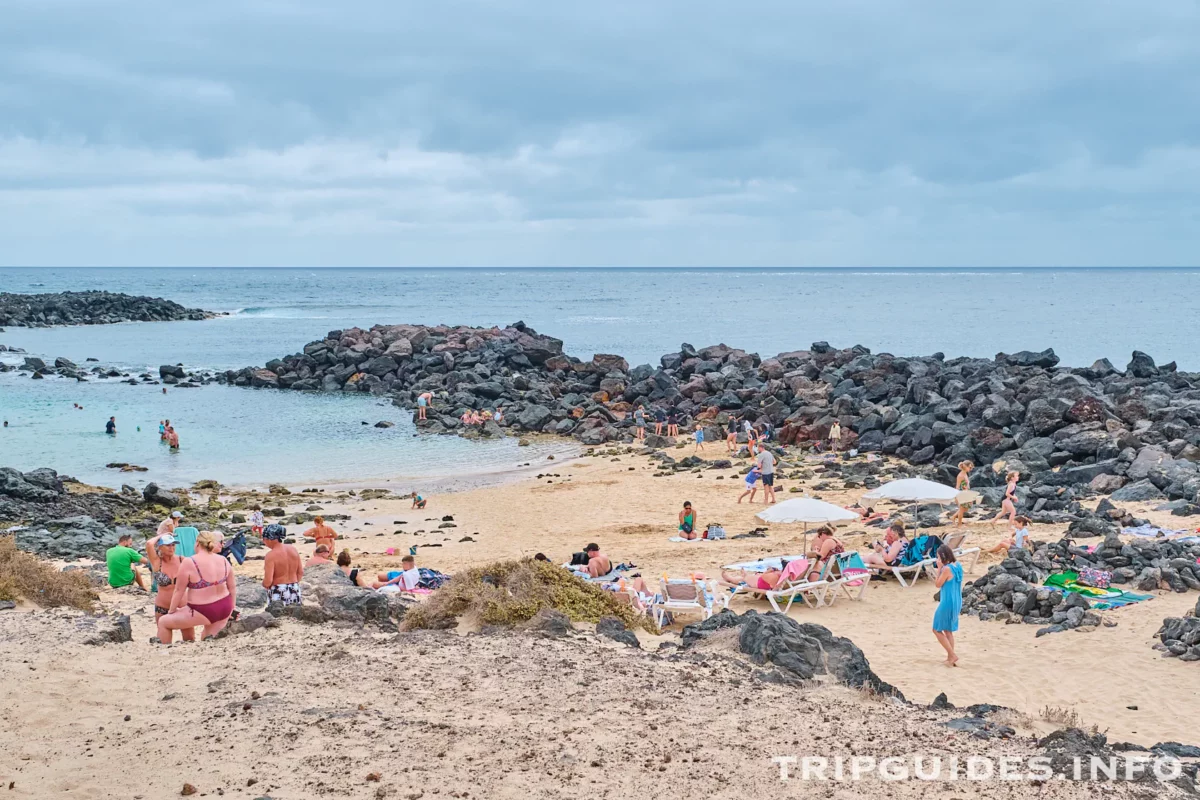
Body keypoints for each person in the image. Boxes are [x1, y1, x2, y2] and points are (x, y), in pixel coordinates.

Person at [157, 531, 237, 641]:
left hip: (202, 610)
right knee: (207, 637)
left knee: (163, 622)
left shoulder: (190, 562)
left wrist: (171, 611)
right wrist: (232, 608)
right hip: (225, 607)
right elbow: (232, 587)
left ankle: (164, 652)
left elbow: (179, 591)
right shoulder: (223, 559)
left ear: (197, 543)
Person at [144, 532, 195, 642]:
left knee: (190, 640)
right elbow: (149, 543)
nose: (171, 548)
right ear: (160, 547)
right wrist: (163, 534)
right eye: (168, 545)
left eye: (173, 545)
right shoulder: (157, 562)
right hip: (162, 606)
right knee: (163, 644)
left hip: (182, 605)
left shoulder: (182, 560)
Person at [932, 545, 963, 667]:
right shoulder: (958, 566)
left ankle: (952, 654)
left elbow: (937, 584)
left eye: (938, 557)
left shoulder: (946, 569)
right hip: (957, 600)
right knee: (948, 630)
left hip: (947, 601)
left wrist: (939, 569)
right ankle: (950, 657)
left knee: (936, 629)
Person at [261, 524, 303, 605]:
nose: (264, 542)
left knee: (277, 615)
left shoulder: (270, 555)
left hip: (278, 589)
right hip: (295, 587)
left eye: (264, 539)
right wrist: (293, 584)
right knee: (295, 615)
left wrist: (264, 584)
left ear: (269, 539)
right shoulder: (293, 549)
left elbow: (268, 581)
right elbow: (300, 572)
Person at [721, 562, 787, 591]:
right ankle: (735, 578)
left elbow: (764, 576)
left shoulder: (776, 576)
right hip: (763, 582)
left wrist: (770, 570)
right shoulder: (786, 576)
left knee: (745, 578)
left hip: (760, 584)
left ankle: (731, 579)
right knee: (747, 577)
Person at [952, 461, 974, 527]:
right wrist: (956, 497)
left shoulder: (965, 474)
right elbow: (957, 486)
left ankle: (953, 517)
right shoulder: (960, 475)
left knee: (966, 508)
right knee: (962, 509)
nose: (971, 469)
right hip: (962, 493)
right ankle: (959, 524)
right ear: (965, 466)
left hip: (966, 492)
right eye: (970, 467)